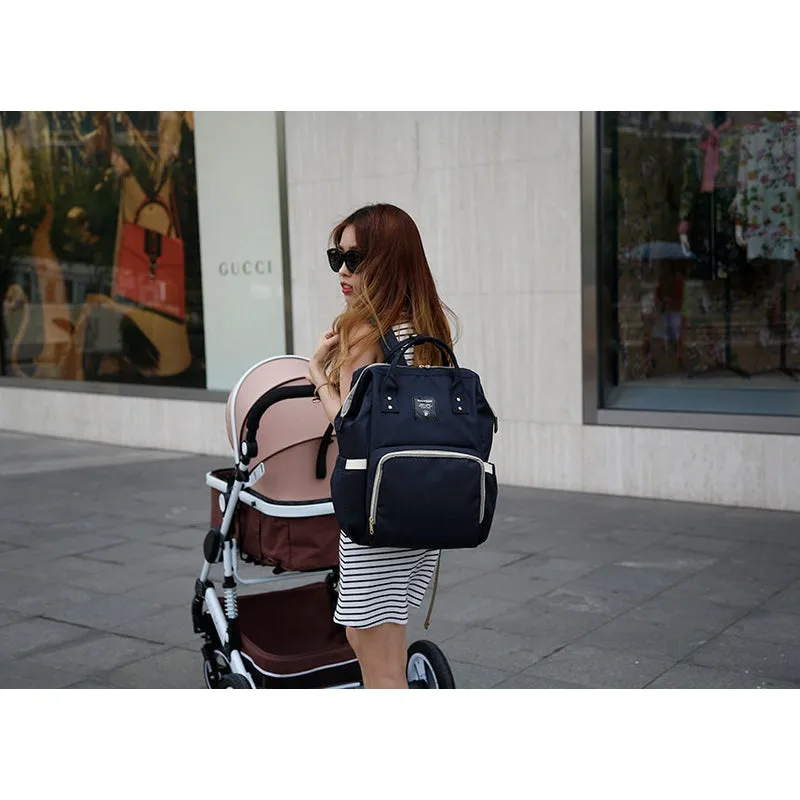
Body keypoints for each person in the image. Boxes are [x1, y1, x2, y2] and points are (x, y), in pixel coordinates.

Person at [306, 203, 456, 689]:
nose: (344, 272)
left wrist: (316, 375)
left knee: (374, 651)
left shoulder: (365, 332)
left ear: (389, 261)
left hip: (375, 510)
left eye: (356, 258)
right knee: (382, 635)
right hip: (425, 505)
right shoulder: (426, 329)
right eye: (337, 258)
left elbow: (350, 429)